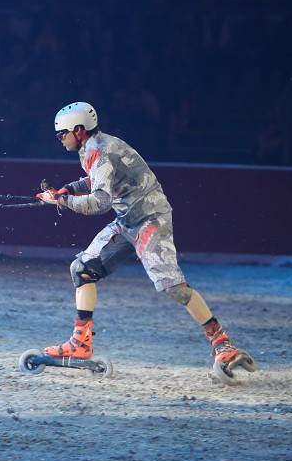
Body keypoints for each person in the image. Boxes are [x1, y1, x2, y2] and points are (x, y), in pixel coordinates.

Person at [36, 102, 253, 379]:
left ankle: (223, 344)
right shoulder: (93, 147)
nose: (59, 139)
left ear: (79, 130)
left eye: (61, 133)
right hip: (128, 221)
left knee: (172, 287)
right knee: (82, 269)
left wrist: (62, 200)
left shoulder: (99, 151)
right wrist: (69, 189)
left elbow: (100, 202)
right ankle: (80, 343)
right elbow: (98, 181)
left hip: (150, 219)